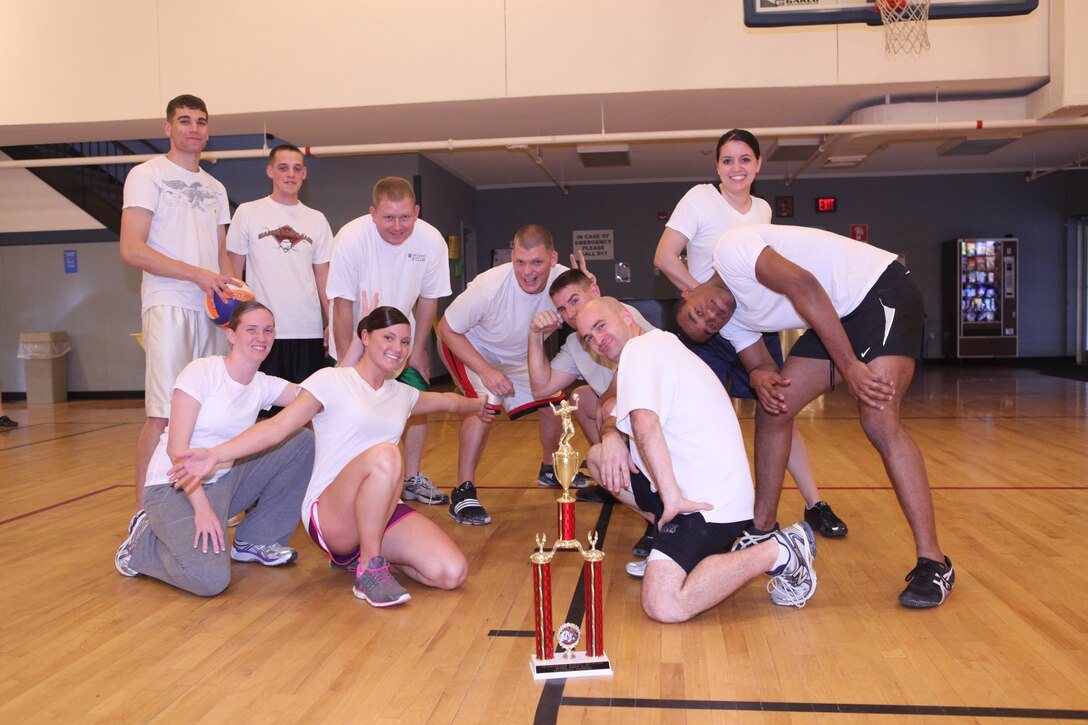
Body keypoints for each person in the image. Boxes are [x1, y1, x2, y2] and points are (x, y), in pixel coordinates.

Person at [675, 224, 954, 608]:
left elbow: (804, 286)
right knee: (776, 408)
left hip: (881, 290)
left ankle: (934, 562)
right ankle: (761, 528)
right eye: (708, 326)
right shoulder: (733, 322)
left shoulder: (730, 249)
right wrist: (759, 377)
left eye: (699, 310)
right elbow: (759, 364)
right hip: (837, 316)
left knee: (878, 419)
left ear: (690, 290)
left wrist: (851, 366)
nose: (711, 316)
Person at [171, 305, 486, 607]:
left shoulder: (403, 394)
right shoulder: (331, 381)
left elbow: (447, 402)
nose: (398, 348)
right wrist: (215, 454)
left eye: (404, 341)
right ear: (365, 337)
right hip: (330, 513)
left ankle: (370, 556)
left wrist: (480, 404)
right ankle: (369, 569)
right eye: (387, 337)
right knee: (387, 455)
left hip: (382, 511)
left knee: (451, 573)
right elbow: (278, 426)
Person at [653, 129, 846, 539]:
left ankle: (815, 503)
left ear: (758, 165)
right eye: (727, 160)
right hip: (708, 330)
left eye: (744, 160)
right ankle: (673, 513)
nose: (735, 168)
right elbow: (664, 256)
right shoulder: (699, 199)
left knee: (779, 410)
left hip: (751, 330)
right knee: (687, 419)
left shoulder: (762, 209)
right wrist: (698, 294)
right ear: (716, 167)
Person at [577, 297, 817, 622]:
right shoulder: (657, 348)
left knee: (664, 604)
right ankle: (672, 542)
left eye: (600, 326)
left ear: (625, 315)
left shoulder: (641, 350)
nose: (597, 340)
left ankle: (780, 549)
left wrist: (673, 499)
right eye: (588, 338)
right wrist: (609, 437)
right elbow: (612, 413)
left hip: (706, 502)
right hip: (698, 489)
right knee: (597, 458)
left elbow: (644, 422)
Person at [114, 302, 314, 596]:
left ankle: (256, 541)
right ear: (232, 335)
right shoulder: (202, 372)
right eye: (251, 329)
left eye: (268, 330)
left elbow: (318, 395)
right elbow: (177, 452)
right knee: (209, 580)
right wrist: (203, 509)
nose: (261, 337)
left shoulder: (263, 384)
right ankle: (142, 544)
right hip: (174, 487)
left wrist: (354, 353)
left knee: (301, 441)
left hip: (224, 483)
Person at [119, 94, 235, 509]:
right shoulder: (146, 175)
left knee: (210, 415)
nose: (194, 128)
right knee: (164, 415)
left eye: (201, 121)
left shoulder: (216, 187)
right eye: (184, 120)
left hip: (211, 313)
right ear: (168, 128)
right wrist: (196, 275)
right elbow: (132, 249)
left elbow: (221, 257)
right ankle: (143, 515)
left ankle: (202, 506)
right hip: (168, 303)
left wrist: (232, 310)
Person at [437, 224, 581, 525]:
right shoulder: (489, 287)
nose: (527, 271)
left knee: (555, 402)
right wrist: (487, 371)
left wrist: (591, 290)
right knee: (484, 402)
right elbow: (448, 330)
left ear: (553, 259)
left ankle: (548, 468)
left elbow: (591, 313)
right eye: (520, 262)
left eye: (537, 262)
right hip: (469, 349)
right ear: (511, 257)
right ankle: (463, 492)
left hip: (516, 359)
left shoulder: (565, 282)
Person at [326, 177, 451, 507]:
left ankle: (412, 478)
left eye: (405, 217)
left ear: (416, 212)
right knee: (355, 412)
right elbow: (341, 304)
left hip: (401, 342)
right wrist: (346, 364)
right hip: (356, 339)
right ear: (372, 213)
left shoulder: (431, 241)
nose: (397, 226)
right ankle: (347, 479)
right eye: (388, 218)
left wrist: (418, 348)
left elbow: (428, 299)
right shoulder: (350, 239)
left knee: (416, 401)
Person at [527, 265, 657, 557]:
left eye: (575, 300)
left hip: (657, 418)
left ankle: (657, 515)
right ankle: (617, 477)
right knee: (581, 397)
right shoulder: (577, 342)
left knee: (604, 405)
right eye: (562, 308)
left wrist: (608, 414)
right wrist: (534, 336)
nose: (570, 313)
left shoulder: (619, 317)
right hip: (621, 420)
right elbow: (541, 387)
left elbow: (626, 380)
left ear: (595, 292)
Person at [227, 144, 333, 386]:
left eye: (297, 169)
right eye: (283, 168)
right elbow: (234, 273)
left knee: (305, 406)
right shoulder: (247, 212)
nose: (290, 174)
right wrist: (238, 323)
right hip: (262, 331)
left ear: (304, 173)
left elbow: (323, 277)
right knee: (263, 408)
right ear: (269, 171)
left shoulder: (317, 220)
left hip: (308, 330)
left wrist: (333, 323)